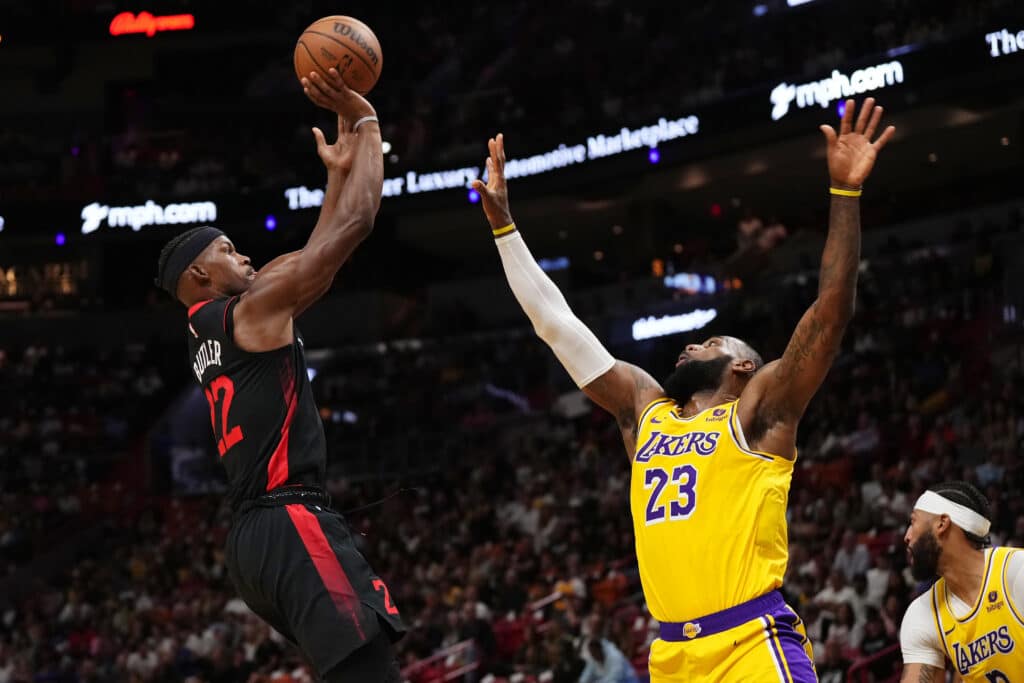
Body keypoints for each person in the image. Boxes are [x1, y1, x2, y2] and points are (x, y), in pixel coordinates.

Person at [470, 98, 895, 681]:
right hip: (672, 656)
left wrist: (844, 194)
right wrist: (504, 230)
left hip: (750, 643)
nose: (692, 345)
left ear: (743, 366)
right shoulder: (645, 411)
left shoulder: (758, 414)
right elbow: (557, 325)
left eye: (711, 341)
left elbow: (830, 314)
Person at [153, 68, 406, 682]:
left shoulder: (213, 325)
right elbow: (357, 223)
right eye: (226, 249)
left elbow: (320, 247)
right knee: (370, 672)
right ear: (199, 276)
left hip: (254, 539)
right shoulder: (249, 312)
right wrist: (367, 120)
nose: (242, 254)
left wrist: (338, 171)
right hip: (288, 518)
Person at [899, 481, 1023, 682]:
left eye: (913, 522)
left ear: (942, 523)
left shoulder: (1016, 571)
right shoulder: (922, 613)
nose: (907, 536)